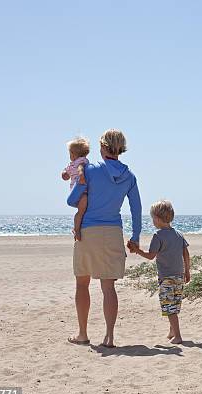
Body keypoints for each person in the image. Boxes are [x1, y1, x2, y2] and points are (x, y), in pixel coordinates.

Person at [66, 129, 142, 348]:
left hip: (87, 232)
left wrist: (82, 188)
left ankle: (83, 334)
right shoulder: (129, 176)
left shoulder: (89, 170)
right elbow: (136, 209)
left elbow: (72, 201)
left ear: (103, 147)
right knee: (108, 288)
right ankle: (109, 337)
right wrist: (135, 237)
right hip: (112, 232)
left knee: (82, 283)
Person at [128, 200, 191, 344]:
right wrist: (187, 271)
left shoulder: (158, 236)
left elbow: (150, 256)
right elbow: (186, 254)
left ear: (156, 218)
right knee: (175, 304)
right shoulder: (179, 234)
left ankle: (178, 336)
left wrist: (136, 250)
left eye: (152, 218)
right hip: (179, 276)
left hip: (167, 277)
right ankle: (172, 331)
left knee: (169, 307)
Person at [61, 137, 90, 241]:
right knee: (82, 211)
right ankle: (77, 229)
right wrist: (81, 176)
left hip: (75, 191)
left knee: (80, 212)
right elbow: (80, 168)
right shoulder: (80, 162)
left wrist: (65, 174)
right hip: (81, 192)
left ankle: (76, 228)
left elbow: (66, 175)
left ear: (73, 154)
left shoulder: (75, 163)